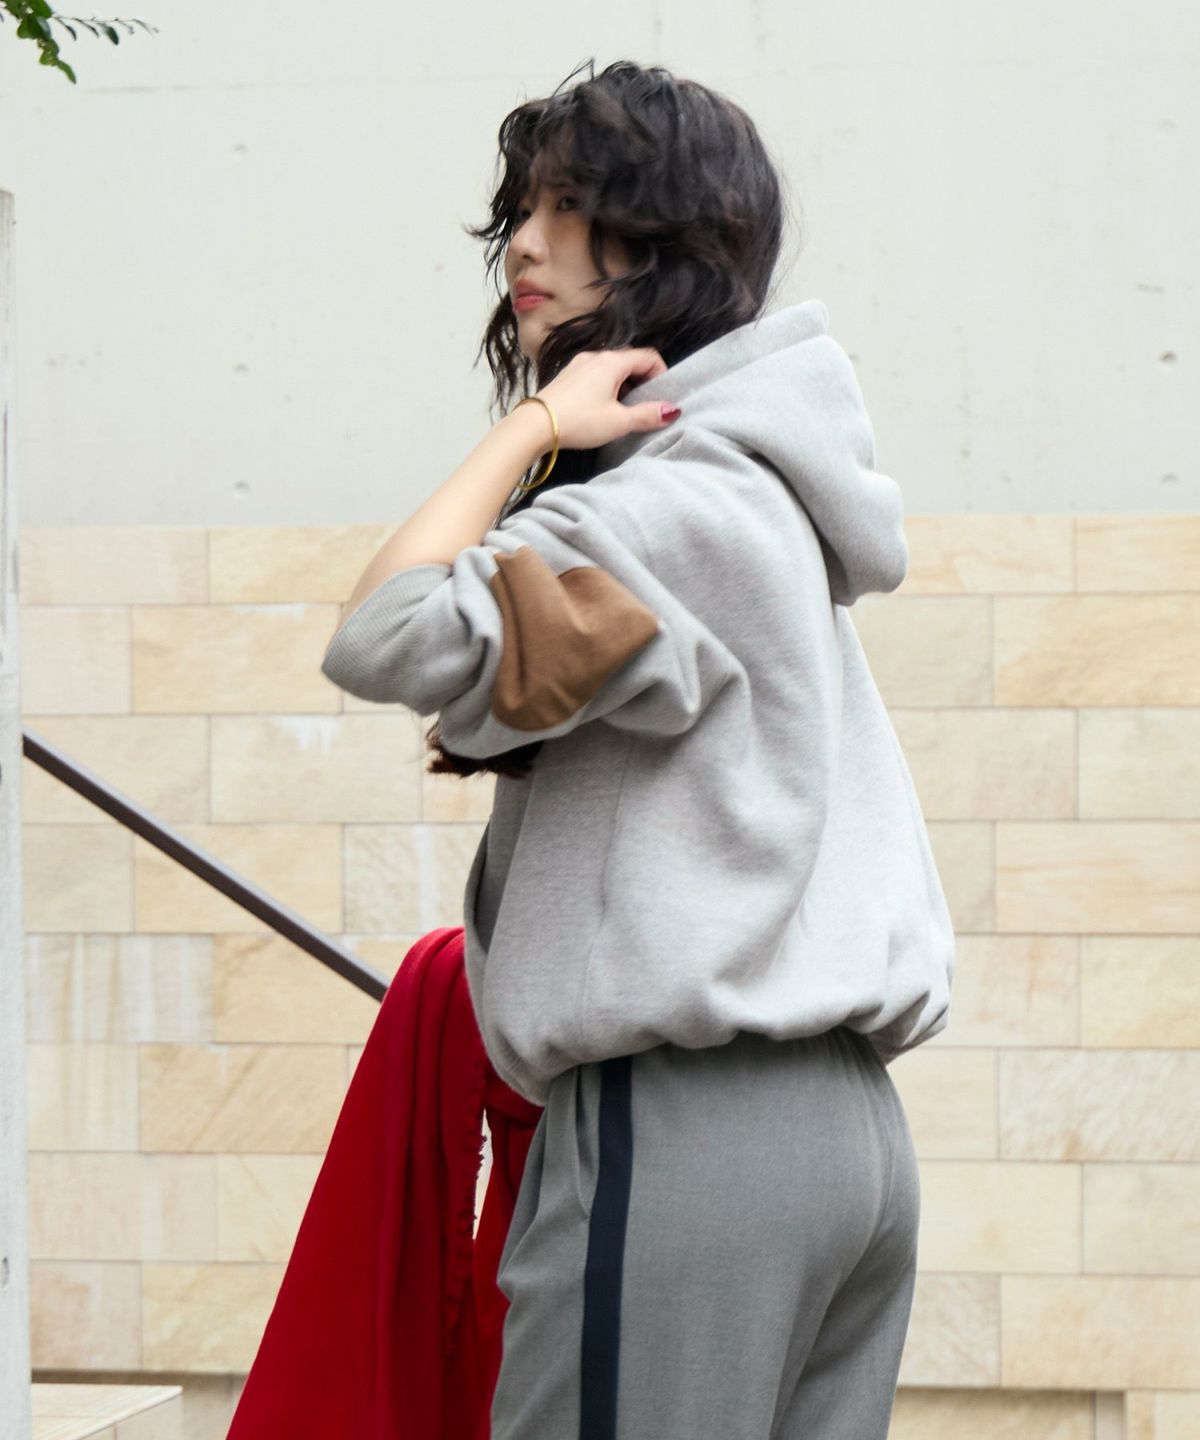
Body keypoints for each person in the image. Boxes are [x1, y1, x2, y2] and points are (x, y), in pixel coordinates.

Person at [320, 57, 956, 1440]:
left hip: (685, 1137)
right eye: (522, 212)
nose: (525, 246)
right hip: (847, 1148)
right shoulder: (766, 502)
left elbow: (386, 631)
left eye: (570, 208)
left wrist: (535, 425)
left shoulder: (662, 511)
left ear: (667, 241)